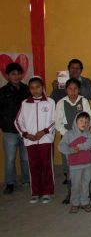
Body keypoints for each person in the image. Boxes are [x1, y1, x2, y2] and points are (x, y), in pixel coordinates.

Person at [15, 76, 56, 204]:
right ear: (29, 89)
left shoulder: (50, 102)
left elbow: (55, 120)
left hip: (45, 140)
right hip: (30, 141)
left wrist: (44, 132)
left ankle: (47, 192)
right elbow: (18, 121)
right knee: (33, 166)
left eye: (37, 87)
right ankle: (36, 192)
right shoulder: (25, 103)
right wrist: (26, 134)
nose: (35, 90)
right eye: (32, 88)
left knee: (47, 165)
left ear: (42, 87)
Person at [55, 78, 91, 203]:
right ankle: (71, 193)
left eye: (75, 88)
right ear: (66, 90)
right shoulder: (61, 103)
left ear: (79, 89)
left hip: (82, 138)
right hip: (67, 138)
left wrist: (80, 133)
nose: (73, 91)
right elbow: (58, 123)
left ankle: (85, 192)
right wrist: (69, 135)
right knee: (70, 167)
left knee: (84, 165)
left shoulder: (84, 101)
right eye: (70, 89)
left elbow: (88, 120)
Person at [0, 63, 30, 194]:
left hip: (25, 131)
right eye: (13, 74)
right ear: (7, 76)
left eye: (18, 73)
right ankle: (10, 183)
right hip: (9, 131)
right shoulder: (2, 92)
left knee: (25, 157)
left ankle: (26, 179)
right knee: (10, 159)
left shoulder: (27, 89)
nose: (16, 76)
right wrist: (4, 124)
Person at [58, 112, 91, 213]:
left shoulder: (88, 134)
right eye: (81, 121)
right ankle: (75, 203)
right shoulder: (69, 134)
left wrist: (79, 147)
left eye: (86, 122)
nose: (84, 123)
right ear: (76, 122)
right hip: (74, 166)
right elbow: (61, 146)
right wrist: (70, 150)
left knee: (85, 184)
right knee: (75, 185)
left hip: (87, 165)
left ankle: (85, 202)